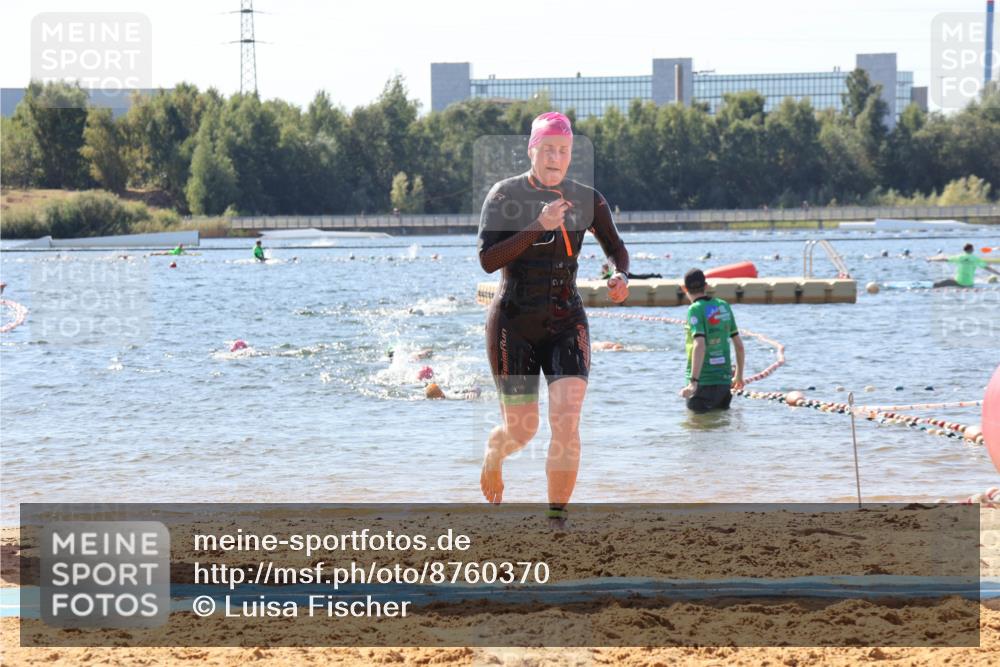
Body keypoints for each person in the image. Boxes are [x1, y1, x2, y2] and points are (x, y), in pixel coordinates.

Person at [477, 111, 630, 522]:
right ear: (532, 150)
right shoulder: (505, 196)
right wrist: (537, 226)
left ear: (570, 155)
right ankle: (496, 448)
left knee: (566, 425)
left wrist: (620, 275)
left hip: (566, 320)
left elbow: (617, 248)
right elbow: (488, 261)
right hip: (514, 322)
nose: (555, 157)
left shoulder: (586, 198)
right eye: (547, 149)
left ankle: (556, 520)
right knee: (523, 430)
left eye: (563, 150)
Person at [678, 268, 745, 413]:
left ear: (684, 288)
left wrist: (693, 383)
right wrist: (739, 376)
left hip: (702, 383)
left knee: (697, 429)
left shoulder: (695, 309)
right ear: (706, 286)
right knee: (720, 428)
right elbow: (739, 346)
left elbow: (699, 344)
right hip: (724, 383)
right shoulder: (723, 306)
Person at [932, 243, 1000, 287]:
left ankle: (940, 253)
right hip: (970, 283)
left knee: (937, 284)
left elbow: (944, 259)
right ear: (972, 250)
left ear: (964, 250)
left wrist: (931, 259)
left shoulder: (960, 257)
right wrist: (999, 273)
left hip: (958, 282)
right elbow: (988, 268)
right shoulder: (976, 259)